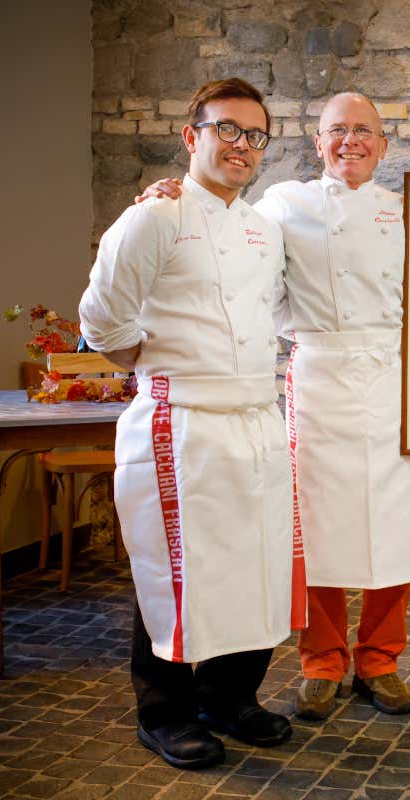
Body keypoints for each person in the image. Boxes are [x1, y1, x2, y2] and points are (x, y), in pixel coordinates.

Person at [139, 92, 410, 722]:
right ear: (318, 143)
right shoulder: (279, 205)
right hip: (318, 375)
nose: (351, 141)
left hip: (394, 380)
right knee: (318, 529)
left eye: (365, 131)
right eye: (339, 130)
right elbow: (223, 233)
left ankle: (380, 658)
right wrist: (167, 200)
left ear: (384, 146)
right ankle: (323, 662)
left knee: (395, 527)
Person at [79, 78, 295, 770]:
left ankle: (229, 697)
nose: (241, 145)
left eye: (254, 135)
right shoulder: (154, 218)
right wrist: (149, 358)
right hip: (185, 420)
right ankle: (165, 711)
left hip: (256, 420)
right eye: (226, 129)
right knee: (175, 568)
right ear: (191, 136)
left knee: (254, 564)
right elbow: (101, 316)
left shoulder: (264, 231)